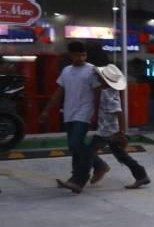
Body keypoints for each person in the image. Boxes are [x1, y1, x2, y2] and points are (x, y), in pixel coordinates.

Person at [38, 40, 106, 194]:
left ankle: (91, 171)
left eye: (83, 55)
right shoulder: (66, 71)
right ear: (70, 55)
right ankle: (79, 176)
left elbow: (98, 92)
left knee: (75, 143)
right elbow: (59, 93)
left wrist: (96, 112)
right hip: (69, 113)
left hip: (85, 112)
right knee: (75, 147)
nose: (81, 58)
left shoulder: (92, 71)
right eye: (77, 56)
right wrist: (46, 111)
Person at [90, 64, 150, 189]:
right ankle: (141, 175)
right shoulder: (111, 91)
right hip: (112, 130)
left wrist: (122, 133)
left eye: (99, 76)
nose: (97, 77)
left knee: (87, 153)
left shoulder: (106, 93)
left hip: (106, 132)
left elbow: (119, 113)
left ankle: (79, 179)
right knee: (121, 155)